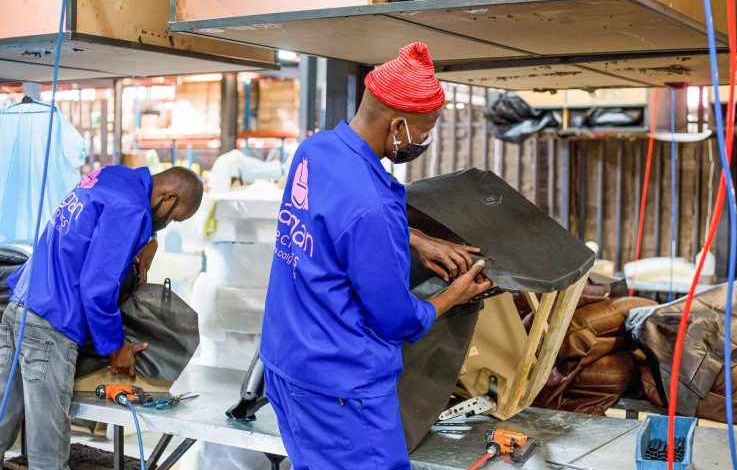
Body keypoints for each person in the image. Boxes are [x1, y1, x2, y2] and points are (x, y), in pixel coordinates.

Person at [261, 42, 493, 470]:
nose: (423, 140)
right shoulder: (373, 205)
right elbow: (396, 320)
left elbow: (330, 222)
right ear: (398, 125)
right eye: (424, 130)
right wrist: (454, 295)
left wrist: (411, 236)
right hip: (341, 391)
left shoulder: (315, 150)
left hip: (286, 366)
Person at [0, 165, 204, 469]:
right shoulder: (132, 209)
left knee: (2, 419)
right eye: (175, 218)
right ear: (170, 197)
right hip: (51, 324)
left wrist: (148, 240)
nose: (168, 223)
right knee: (48, 453)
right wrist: (116, 346)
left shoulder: (112, 176)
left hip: (20, 306)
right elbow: (97, 290)